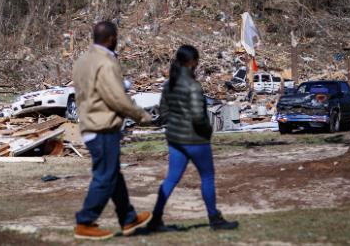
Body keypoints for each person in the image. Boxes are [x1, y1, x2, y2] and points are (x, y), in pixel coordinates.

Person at [72, 21, 153, 240]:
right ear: (111, 39)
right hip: (103, 128)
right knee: (105, 177)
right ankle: (85, 221)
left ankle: (128, 218)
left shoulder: (82, 61)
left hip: (89, 124)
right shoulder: (106, 62)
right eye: (116, 39)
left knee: (113, 175)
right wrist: (142, 115)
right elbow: (116, 97)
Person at [147, 45, 239, 231]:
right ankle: (214, 219)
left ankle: (155, 220)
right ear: (193, 62)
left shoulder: (168, 84)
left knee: (171, 179)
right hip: (195, 140)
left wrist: (175, 123)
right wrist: (208, 131)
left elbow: (163, 112)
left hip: (174, 139)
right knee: (207, 177)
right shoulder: (193, 86)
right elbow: (198, 116)